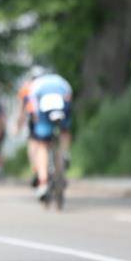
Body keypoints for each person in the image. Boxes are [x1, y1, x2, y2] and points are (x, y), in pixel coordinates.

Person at [26, 71, 73, 200]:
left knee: (42, 145)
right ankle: (65, 152)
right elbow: (69, 97)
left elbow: (33, 102)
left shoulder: (36, 83)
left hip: (45, 109)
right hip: (61, 108)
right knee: (64, 130)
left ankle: (43, 183)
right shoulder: (62, 81)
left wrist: (35, 117)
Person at [16, 66, 46, 186]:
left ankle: (36, 169)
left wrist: (18, 125)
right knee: (51, 142)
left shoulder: (26, 88)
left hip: (34, 117)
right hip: (50, 116)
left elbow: (22, 110)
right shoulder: (47, 85)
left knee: (34, 144)